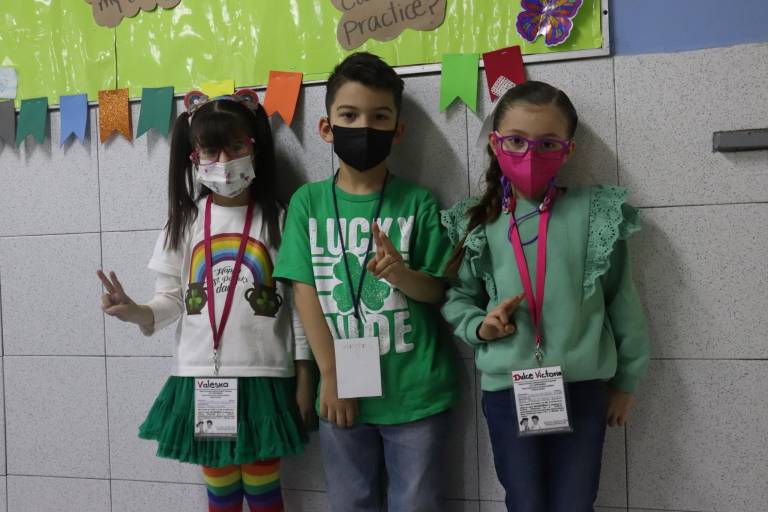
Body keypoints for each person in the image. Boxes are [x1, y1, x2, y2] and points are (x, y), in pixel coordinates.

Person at [97, 93, 314, 512]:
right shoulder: (184, 221)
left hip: (265, 376)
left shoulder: (280, 218)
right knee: (221, 490)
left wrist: (305, 376)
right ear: (194, 155)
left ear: (255, 146)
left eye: (235, 146)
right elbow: (170, 300)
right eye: (211, 149)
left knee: (264, 487)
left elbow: (298, 307)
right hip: (201, 378)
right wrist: (134, 311)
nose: (224, 160)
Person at [441, 81, 650, 512]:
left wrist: (627, 381)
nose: (530, 154)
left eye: (547, 143)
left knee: (576, 502)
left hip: (584, 388)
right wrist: (481, 326)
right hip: (508, 390)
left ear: (568, 150)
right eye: (515, 141)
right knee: (525, 501)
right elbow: (457, 298)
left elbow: (622, 301)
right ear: (496, 145)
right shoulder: (478, 220)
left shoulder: (595, 213)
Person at [273, 52, 459, 512]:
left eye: (380, 117)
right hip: (342, 394)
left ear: (398, 130)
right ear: (325, 128)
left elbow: (437, 291)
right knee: (349, 501)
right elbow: (304, 290)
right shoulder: (307, 203)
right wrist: (331, 375)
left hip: (415, 393)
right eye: (349, 116)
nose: (364, 128)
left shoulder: (417, 201)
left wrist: (402, 275)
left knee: (417, 503)